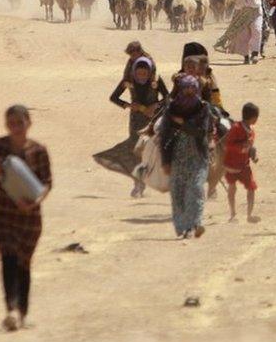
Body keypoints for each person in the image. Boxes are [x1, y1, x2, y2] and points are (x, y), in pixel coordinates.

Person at [0, 105, 52, 332]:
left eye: (20, 123)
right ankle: (11, 309)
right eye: (11, 123)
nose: (16, 127)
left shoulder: (39, 150)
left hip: (30, 217)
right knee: (8, 256)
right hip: (2, 213)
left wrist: (34, 203)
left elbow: (47, 183)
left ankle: (22, 312)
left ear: (29, 123)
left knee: (24, 262)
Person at [102, 57, 168, 197]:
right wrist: (129, 105)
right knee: (136, 151)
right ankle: (138, 184)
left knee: (154, 150)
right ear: (134, 72)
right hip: (136, 121)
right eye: (139, 74)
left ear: (149, 72)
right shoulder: (128, 82)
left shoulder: (156, 81)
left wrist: (155, 106)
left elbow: (168, 98)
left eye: (145, 74)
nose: (142, 76)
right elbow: (114, 97)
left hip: (153, 119)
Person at [160, 75, 214, 238]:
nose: (189, 91)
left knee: (196, 189)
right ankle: (182, 226)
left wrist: (183, 124)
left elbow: (201, 132)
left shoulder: (203, 108)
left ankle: (194, 225)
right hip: (177, 157)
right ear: (181, 89)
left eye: (192, 88)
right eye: (186, 88)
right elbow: (164, 135)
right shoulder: (171, 109)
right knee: (178, 192)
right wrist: (166, 161)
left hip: (198, 155)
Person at [214, 0, 264, 64]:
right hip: (242, 13)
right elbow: (235, 2)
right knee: (243, 35)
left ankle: (255, 53)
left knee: (257, 30)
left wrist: (256, 2)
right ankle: (246, 56)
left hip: (255, 12)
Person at [224, 103, 261, 224]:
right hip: (231, 164)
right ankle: (232, 213)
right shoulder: (236, 128)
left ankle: (249, 215)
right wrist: (241, 146)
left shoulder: (251, 131)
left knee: (251, 187)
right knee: (232, 187)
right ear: (253, 117)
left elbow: (250, 148)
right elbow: (228, 145)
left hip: (244, 165)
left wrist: (253, 156)